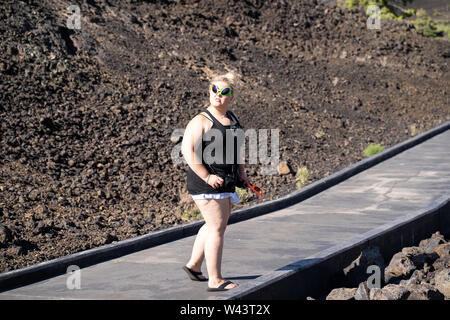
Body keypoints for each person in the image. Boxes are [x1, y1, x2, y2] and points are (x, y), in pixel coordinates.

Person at [181, 71, 250, 291]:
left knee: (213, 225)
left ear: (232, 96)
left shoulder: (232, 117)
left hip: (226, 180)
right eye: (214, 90)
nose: (218, 95)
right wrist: (207, 176)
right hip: (207, 183)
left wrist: (241, 171)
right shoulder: (201, 120)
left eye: (224, 92)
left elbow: (235, 147)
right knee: (217, 229)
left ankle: (194, 266)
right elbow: (186, 150)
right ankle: (216, 279)